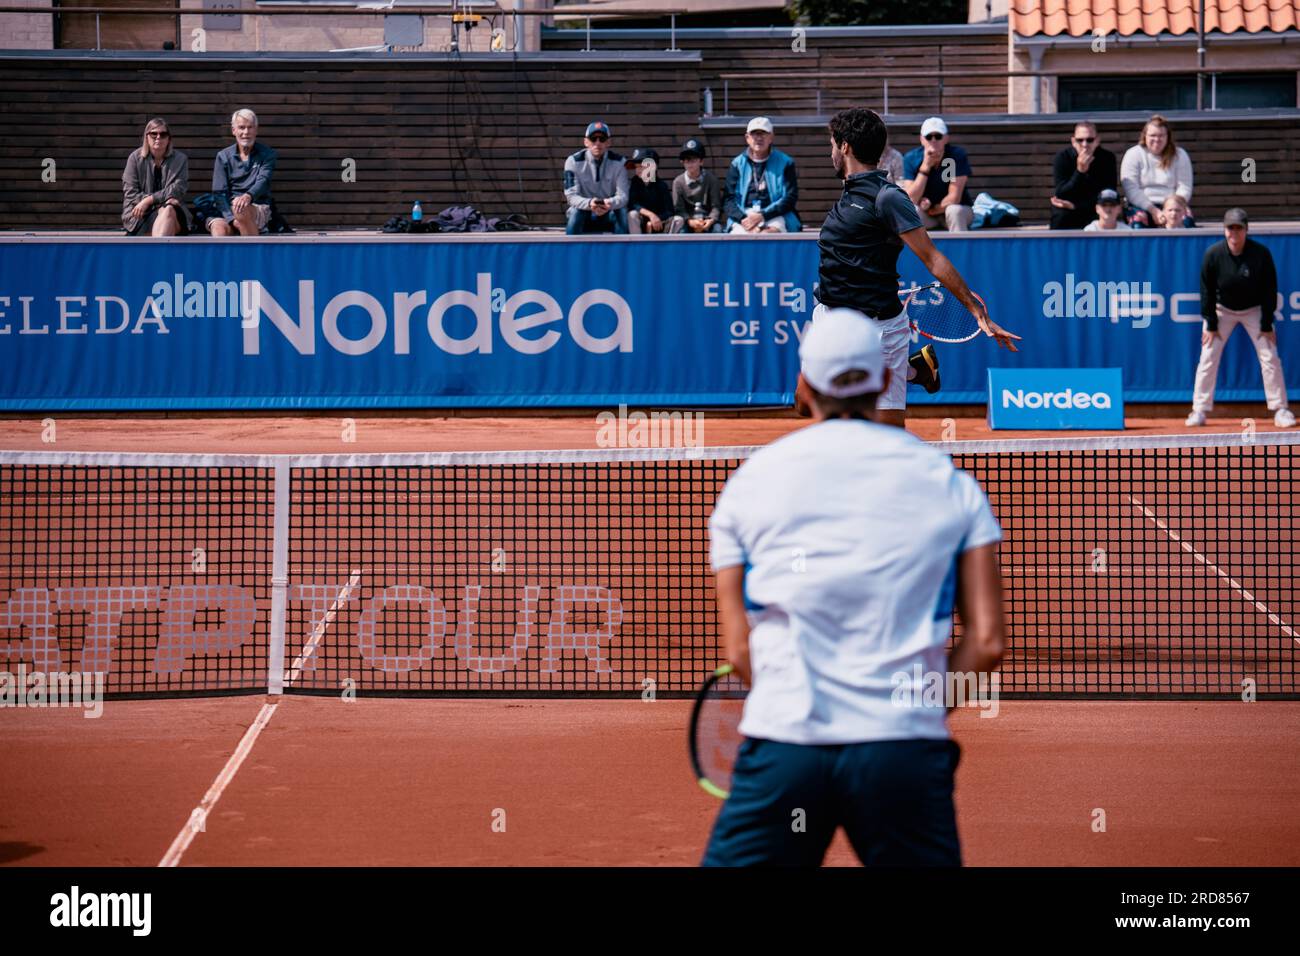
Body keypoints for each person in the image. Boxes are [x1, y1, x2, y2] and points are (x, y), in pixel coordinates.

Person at [701, 308, 1007, 867]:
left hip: (786, 750)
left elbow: (740, 650)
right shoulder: (951, 485)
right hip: (901, 756)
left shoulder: (749, 485)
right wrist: (917, 711)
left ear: (805, 384)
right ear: (888, 378)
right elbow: (986, 644)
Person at [808, 107, 1020, 429]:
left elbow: (932, 257)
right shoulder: (849, 192)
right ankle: (913, 368)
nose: (831, 152)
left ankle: (905, 369)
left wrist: (977, 311)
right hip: (831, 317)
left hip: (879, 328)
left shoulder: (887, 197)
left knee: (888, 433)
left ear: (846, 146)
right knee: (802, 403)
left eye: (833, 144)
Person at [1186, 209, 1294, 429]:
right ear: (1224, 230)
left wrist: (1266, 323)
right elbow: (1206, 290)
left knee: (1270, 357)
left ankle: (1280, 409)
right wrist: (1211, 323)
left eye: (1238, 228)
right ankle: (1199, 410)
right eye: (1230, 228)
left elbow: (1269, 290)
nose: (1234, 233)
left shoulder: (1261, 254)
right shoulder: (1213, 255)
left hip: (1254, 310)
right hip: (1221, 310)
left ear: (1246, 230)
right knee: (1208, 357)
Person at [723, 117, 800, 234]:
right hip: (744, 216)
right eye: (754, 134)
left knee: (769, 234)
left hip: (774, 215)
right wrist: (744, 219)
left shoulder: (785, 162)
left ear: (771, 137)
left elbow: (790, 198)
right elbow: (728, 200)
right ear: (747, 138)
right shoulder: (737, 164)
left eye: (763, 133)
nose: (759, 138)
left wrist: (762, 216)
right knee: (741, 237)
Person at [206, 109, 276, 237]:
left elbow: (263, 181)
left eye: (250, 127)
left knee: (241, 208)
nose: (246, 132)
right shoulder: (223, 156)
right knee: (218, 228)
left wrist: (248, 196)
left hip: (257, 205)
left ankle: (252, 255)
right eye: (241, 127)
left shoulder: (267, 154)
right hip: (227, 209)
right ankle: (224, 258)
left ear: (256, 130)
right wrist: (232, 220)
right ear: (234, 130)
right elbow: (219, 192)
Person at [121, 117, 192, 236]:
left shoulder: (180, 159)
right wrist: (159, 202)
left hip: (173, 210)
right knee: (166, 212)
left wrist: (149, 200)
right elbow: (130, 193)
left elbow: (178, 189)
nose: (158, 137)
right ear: (146, 137)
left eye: (163, 134)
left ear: (169, 139)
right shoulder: (134, 159)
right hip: (141, 214)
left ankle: (157, 252)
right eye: (154, 134)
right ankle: (162, 252)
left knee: (168, 210)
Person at [1120, 114, 1194, 228]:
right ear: (1145, 136)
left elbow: (1185, 187)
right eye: (1152, 135)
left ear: (1168, 137)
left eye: (1161, 135)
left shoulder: (1180, 155)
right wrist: (1154, 211)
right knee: (1138, 224)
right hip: (1141, 205)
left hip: (1173, 205)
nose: (1157, 139)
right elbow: (1131, 190)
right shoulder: (1133, 154)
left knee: (1187, 221)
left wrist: (1171, 209)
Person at [900, 117, 973, 232]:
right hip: (927, 215)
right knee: (911, 212)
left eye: (938, 136)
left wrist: (933, 209)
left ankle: (959, 250)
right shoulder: (911, 158)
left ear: (946, 138)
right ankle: (918, 250)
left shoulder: (956, 155)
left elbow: (954, 198)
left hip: (955, 211)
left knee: (954, 211)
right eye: (929, 137)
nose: (933, 140)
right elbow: (911, 199)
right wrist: (926, 167)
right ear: (922, 139)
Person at [563, 120, 629, 235]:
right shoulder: (573, 161)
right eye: (593, 139)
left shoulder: (620, 162)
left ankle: (622, 251)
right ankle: (571, 251)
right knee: (574, 212)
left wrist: (609, 203)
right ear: (586, 142)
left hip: (609, 210)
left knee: (622, 212)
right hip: (584, 211)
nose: (597, 143)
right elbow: (571, 197)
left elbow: (623, 196)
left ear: (608, 142)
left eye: (602, 139)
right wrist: (589, 203)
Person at [1049, 121, 1118, 230]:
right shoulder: (1063, 158)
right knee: (1060, 215)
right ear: (1073, 141)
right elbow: (1061, 193)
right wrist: (1080, 171)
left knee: (1106, 212)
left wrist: (1076, 206)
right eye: (1080, 140)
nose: (1085, 144)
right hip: (1067, 208)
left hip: (1094, 207)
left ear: (1097, 141)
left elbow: (1108, 192)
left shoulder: (1107, 158)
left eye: (1090, 140)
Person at [669, 138, 723, 234]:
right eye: (687, 160)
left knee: (718, 230)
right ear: (683, 162)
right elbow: (679, 208)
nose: (690, 163)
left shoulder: (711, 180)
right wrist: (689, 221)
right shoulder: (678, 182)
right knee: (680, 232)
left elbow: (716, 206)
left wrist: (710, 220)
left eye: (693, 160)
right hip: (688, 221)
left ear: (701, 161)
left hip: (707, 220)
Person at [625, 148, 673, 235]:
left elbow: (669, 211)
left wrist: (656, 219)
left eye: (642, 166)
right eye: (636, 167)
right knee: (632, 214)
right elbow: (633, 204)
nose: (638, 170)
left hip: (660, 224)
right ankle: (637, 246)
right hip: (642, 223)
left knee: (678, 220)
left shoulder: (662, 185)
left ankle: (667, 246)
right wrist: (651, 215)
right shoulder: (635, 182)